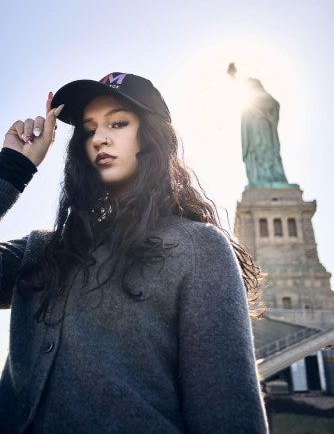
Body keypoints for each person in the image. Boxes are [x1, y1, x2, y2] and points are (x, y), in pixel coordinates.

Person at [0, 71, 268, 433]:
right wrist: (13, 168)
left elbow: (229, 418)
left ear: (151, 137)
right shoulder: (42, 251)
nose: (100, 138)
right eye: (89, 129)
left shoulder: (198, 248)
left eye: (118, 122)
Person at [241, 78, 288, 187]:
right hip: (253, 131)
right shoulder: (247, 100)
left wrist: (268, 115)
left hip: (265, 129)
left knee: (268, 152)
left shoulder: (265, 96)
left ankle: (274, 177)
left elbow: (275, 105)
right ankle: (259, 178)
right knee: (256, 153)